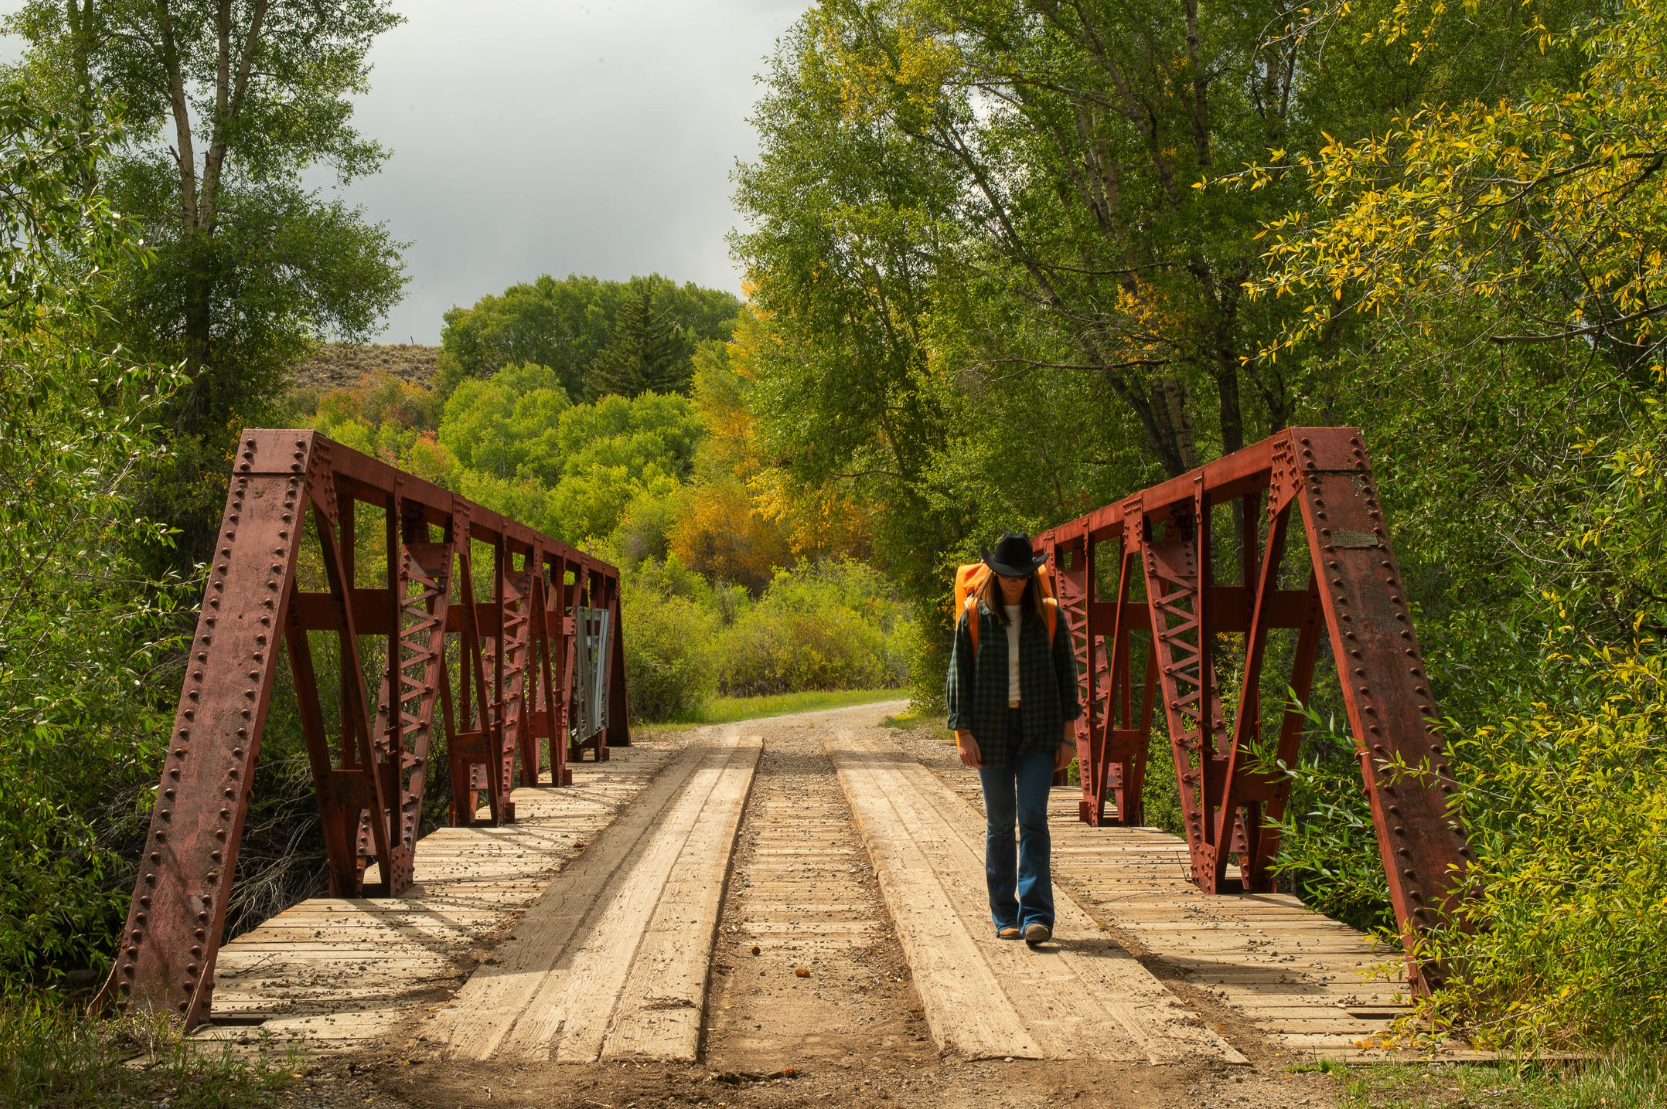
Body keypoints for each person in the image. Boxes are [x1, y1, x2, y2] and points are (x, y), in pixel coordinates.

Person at [945, 531, 1081, 944]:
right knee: (1001, 823)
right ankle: (1005, 912)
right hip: (990, 730)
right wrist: (963, 732)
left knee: (1033, 818)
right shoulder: (974, 615)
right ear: (994, 573)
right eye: (1007, 573)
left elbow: (1067, 676)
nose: (1014, 580)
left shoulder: (1049, 615)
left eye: (1022, 574)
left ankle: (1036, 916)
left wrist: (1068, 736)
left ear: (1030, 576)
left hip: (1039, 728)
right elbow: (958, 675)